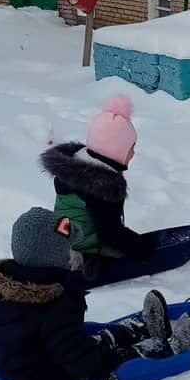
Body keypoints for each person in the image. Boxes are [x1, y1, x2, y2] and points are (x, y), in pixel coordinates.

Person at [0, 207, 190, 380]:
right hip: (42, 376)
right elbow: (72, 352)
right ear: (51, 257)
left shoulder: (7, 283)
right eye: (67, 248)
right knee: (110, 358)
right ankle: (164, 348)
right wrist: (99, 376)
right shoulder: (58, 299)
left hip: (12, 362)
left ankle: (136, 330)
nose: (73, 252)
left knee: (84, 341)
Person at [41, 95, 151, 268]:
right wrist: (141, 247)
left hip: (63, 234)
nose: (133, 154)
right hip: (82, 243)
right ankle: (87, 261)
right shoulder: (102, 185)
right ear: (117, 149)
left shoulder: (75, 168)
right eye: (132, 148)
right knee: (119, 249)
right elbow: (110, 233)